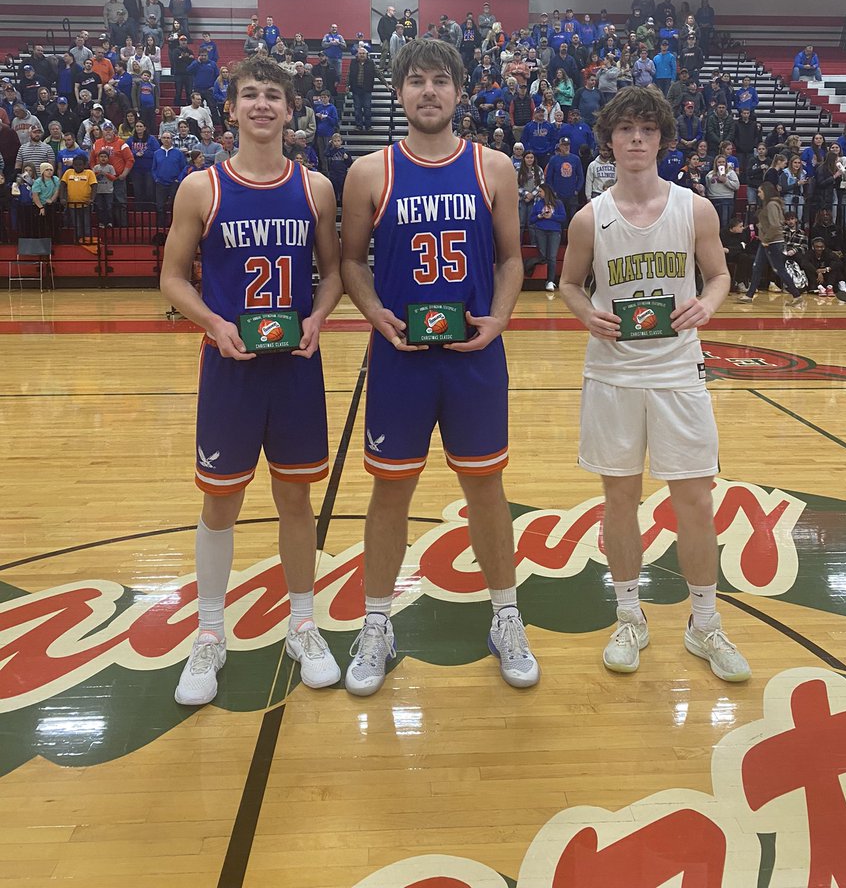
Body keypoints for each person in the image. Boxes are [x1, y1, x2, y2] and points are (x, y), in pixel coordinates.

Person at [339, 38, 540, 697]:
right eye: (417, 81)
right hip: (400, 359)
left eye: (440, 80)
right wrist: (375, 313)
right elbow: (350, 261)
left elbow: (511, 260)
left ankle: (506, 617)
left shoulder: (493, 167)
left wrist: (500, 317)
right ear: (399, 93)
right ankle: (376, 623)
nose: (428, 91)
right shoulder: (369, 172)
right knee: (390, 491)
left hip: (473, 358)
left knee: (485, 488)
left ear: (459, 91)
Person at [160, 55, 342, 706]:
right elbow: (172, 278)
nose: (261, 104)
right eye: (249, 95)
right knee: (220, 502)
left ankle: (302, 624)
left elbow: (333, 273)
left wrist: (318, 318)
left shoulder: (315, 188)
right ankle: (210, 632)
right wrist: (214, 323)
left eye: (272, 95)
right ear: (231, 108)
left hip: (293, 367)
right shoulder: (201, 188)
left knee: (296, 500)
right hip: (230, 367)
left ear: (290, 110)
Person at [558, 86, 750, 683]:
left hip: (678, 371)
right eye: (625, 129)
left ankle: (704, 623)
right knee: (620, 499)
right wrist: (587, 314)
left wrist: (708, 305)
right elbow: (569, 285)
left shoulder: (695, 209)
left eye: (647, 129)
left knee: (695, 499)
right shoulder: (589, 218)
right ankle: (628, 616)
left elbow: (719, 276)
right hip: (613, 372)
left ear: (662, 138)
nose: (636, 138)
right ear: (609, 140)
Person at [738, 157, 805, 305]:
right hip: (767, 241)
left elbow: (775, 225)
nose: (758, 194)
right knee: (757, 268)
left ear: (766, 192)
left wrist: (766, 239)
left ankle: (796, 295)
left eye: (760, 191)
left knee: (778, 269)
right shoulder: (769, 204)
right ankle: (749, 295)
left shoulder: (772, 205)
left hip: (772, 242)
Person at [528, 182, 565, 291]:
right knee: (543, 256)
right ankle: (543, 278)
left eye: (540, 191)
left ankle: (550, 281)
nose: (539, 193)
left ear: (546, 191)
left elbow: (563, 217)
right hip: (541, 231)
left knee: (552, 257)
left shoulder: (558, 203)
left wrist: (551, 216)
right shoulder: (538, 204)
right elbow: (531, 220)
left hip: (554, 231)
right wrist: (539, 216)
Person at [60, 153, 96, 240]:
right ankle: (77, 240)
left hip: (86, 204)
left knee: (86, 224)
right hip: (72, 204)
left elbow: (94, 186)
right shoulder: (68, 172)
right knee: (76, 224)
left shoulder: (89, 173)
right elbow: (62, 185)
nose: (78, 167)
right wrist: (62, 198)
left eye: (80, 165)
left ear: (85, 165)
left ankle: (87, 240)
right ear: (73, 165)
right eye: (76, 164)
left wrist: (92, 199)